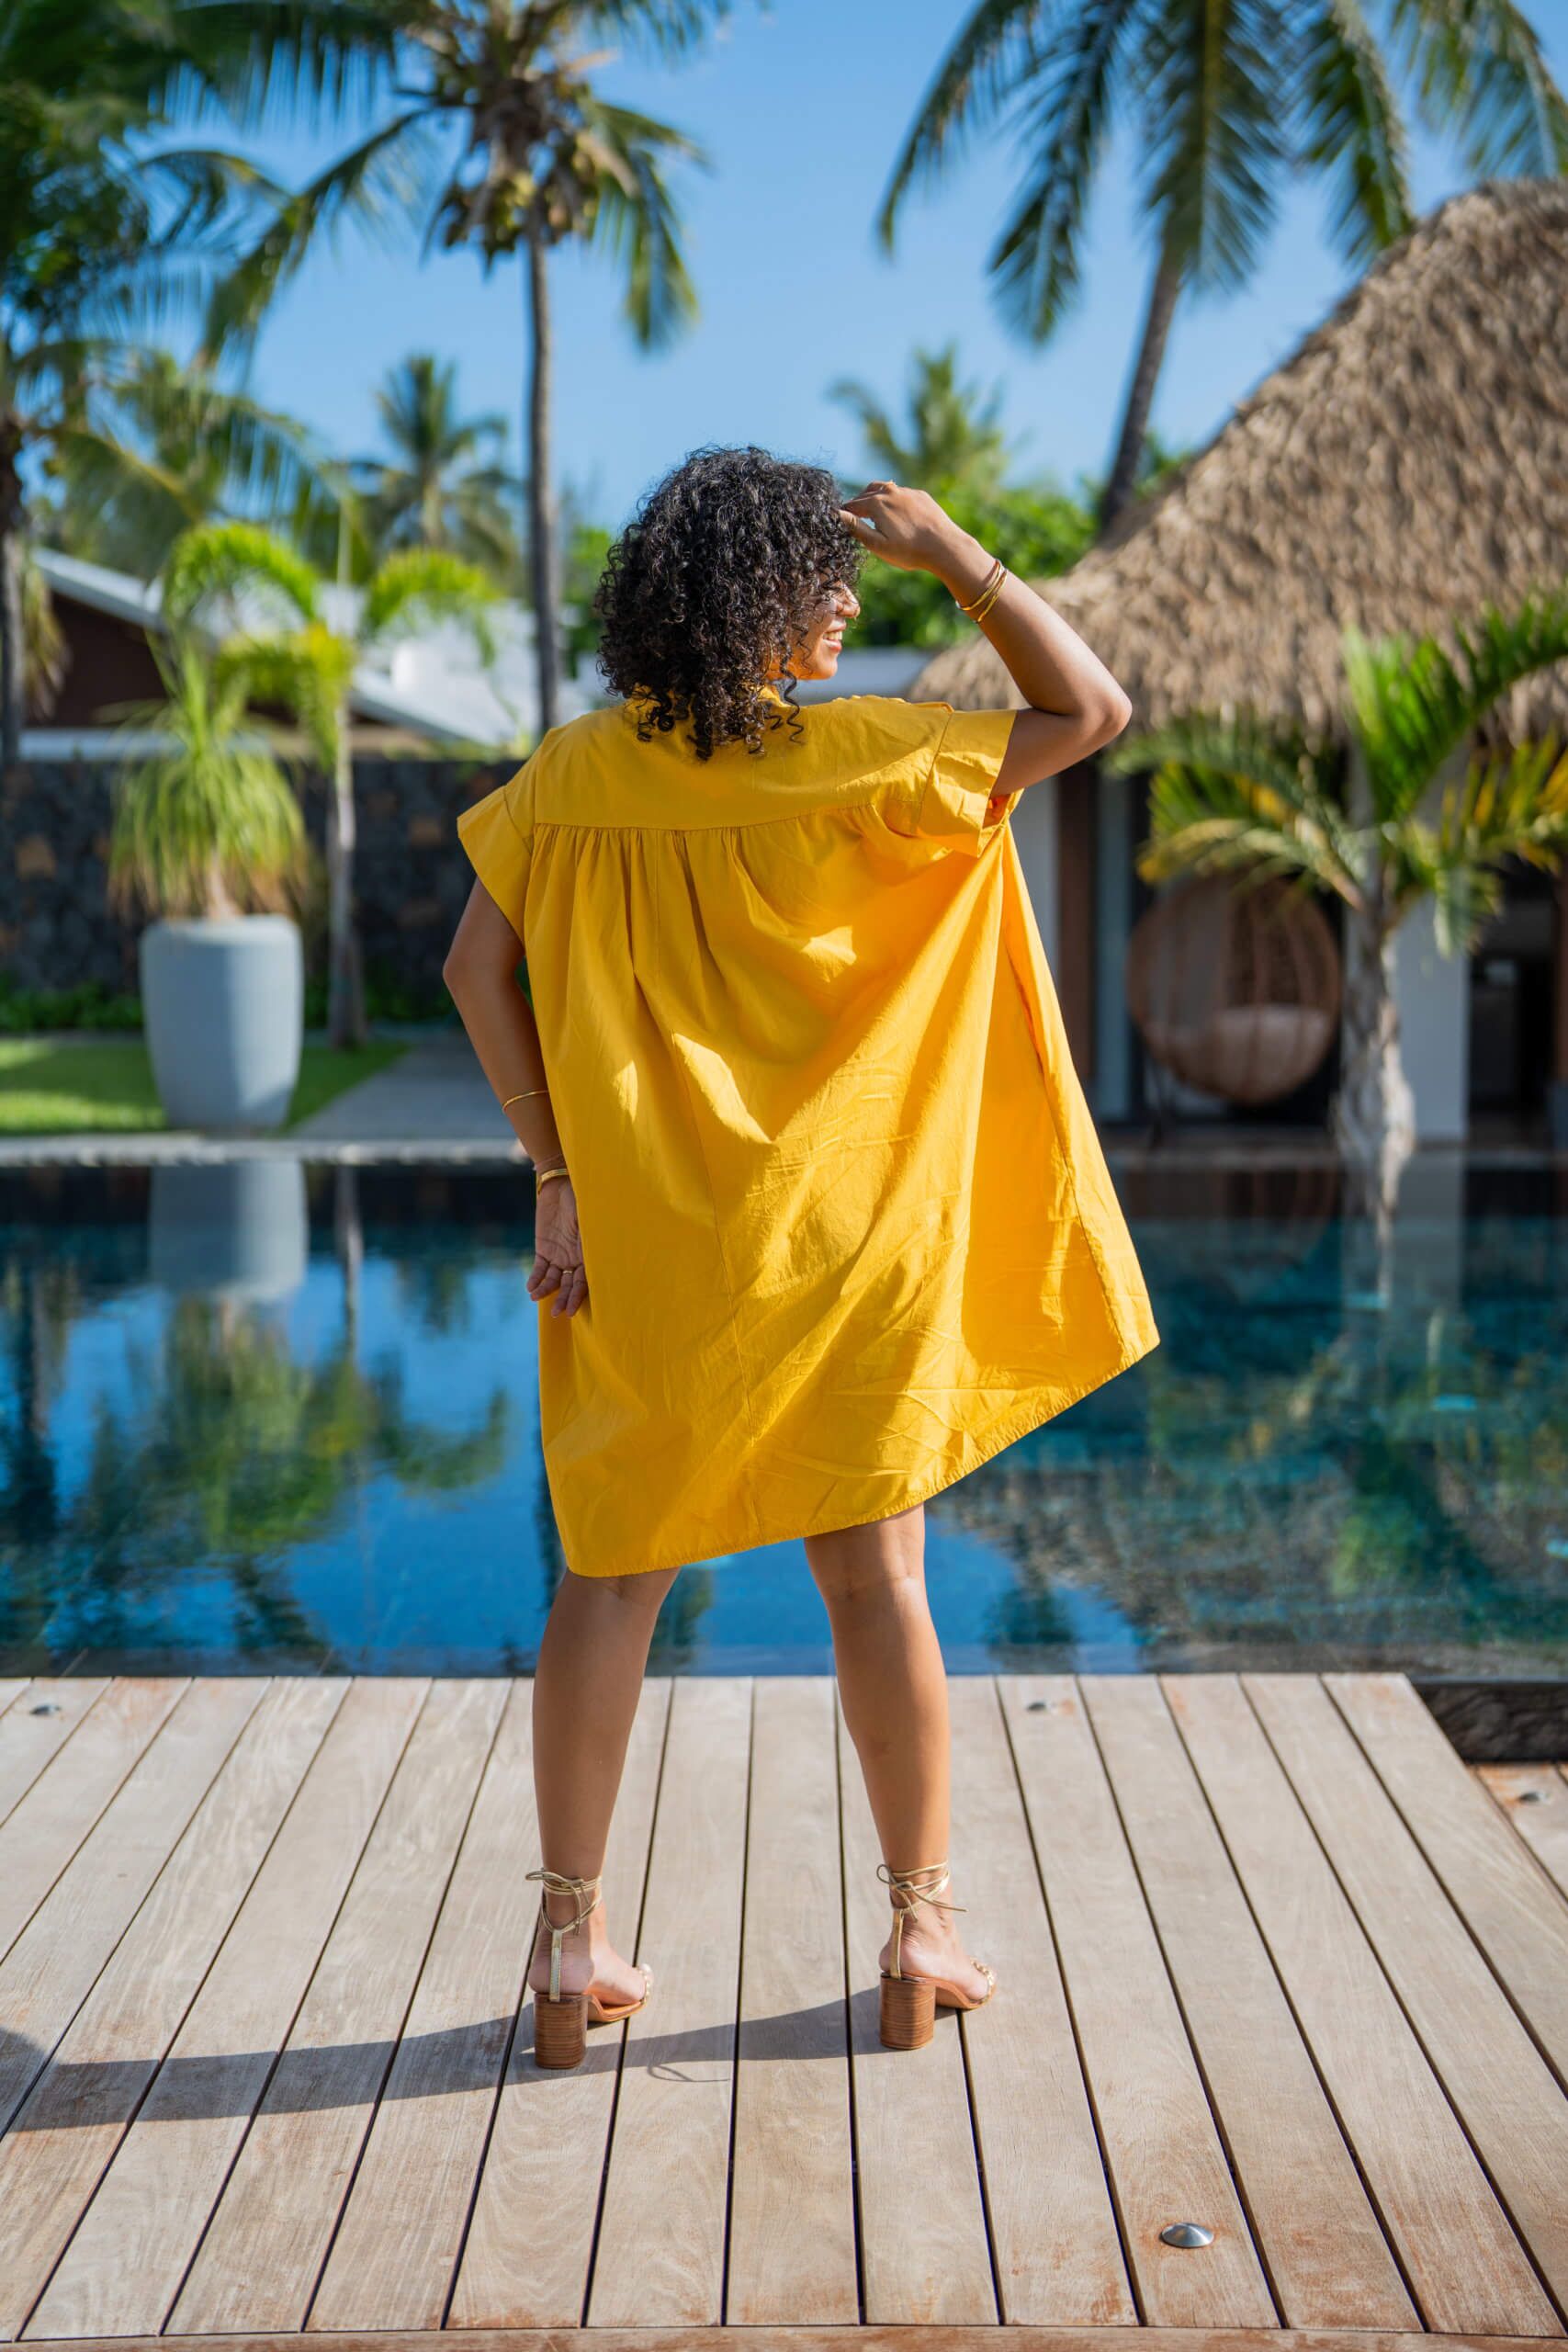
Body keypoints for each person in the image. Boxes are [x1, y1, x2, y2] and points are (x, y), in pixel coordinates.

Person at [443, 444, 1159, 2069]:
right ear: (751, 596)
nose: (844, 600)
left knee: (612, 1574)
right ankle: (921, 1925)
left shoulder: (572, 777)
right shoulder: (876, 757)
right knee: (878, 1580)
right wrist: (953, 551)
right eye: (819, 578)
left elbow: (475, 969)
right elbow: (1093, 709)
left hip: (645, 1240)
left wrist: (555, 1168)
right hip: (847, 1236)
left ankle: (569, 1943)